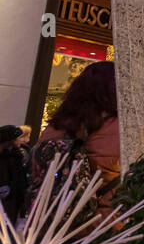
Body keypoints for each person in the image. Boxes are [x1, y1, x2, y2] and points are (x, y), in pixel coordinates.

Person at [26, 60, 121, 219]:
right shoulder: (119, 129)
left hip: (50, 224)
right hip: (100, 225)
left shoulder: (56, 126)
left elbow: (36, 170)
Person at [0, 126, 27, 223]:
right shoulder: (9, 157)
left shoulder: (16, 156)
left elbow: (20, 180)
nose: (22, 140)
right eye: (19, 137)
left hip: (12, 199)